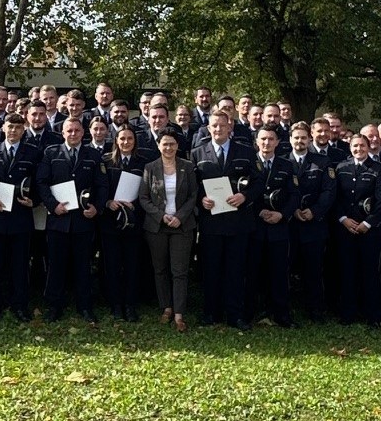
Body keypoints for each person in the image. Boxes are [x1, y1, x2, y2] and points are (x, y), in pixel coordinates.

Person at [190, 110, 262, 330]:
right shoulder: (197, 152)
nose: (218, 129)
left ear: (230, 127)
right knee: (211, 269)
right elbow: (192, 185)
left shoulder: (247, 151)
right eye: (214, 126)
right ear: (208, 128)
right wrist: (201, 199)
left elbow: (259, 182)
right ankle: (211, 313)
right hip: (211, 222)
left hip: (238, 221)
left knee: (235, 270)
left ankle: (235, 315)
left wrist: (245, 196)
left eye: (222, 125)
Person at [38, 117, 106, 323]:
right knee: (56, 265)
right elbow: (41, 182)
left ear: (83, 133)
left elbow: (102, 186)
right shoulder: (51, 153)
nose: (73, 134)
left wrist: (97, 207)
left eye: (77, 130)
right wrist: (52, 205)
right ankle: (54, 306)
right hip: (58, 219)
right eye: (69, 131)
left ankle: (84, 306)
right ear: (63, 133)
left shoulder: (93, 155)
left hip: (83, 221)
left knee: (83, 265)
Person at [0, 114, 43, 321]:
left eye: (18, 127)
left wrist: (33, 200)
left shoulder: (33, 152)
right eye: (10, 126)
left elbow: (40, 181)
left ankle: (19, 305)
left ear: (24, 129)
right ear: (3, 128)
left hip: (21, 216)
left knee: (19, 265)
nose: (14, 130)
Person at [138, 130, 197, 332]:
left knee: (179, 271)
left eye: (172, 144)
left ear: (177, 146)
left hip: (182, 226)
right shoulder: (150, 168)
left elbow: (193, 195)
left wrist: (179, 216)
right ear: (158, 145)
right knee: (160, 269)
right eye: (165, 144)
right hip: (157, 226)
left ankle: (179, 314)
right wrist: (161, 216)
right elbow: (144, 198)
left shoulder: (187, 167)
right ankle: (167, 308)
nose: (169, 148)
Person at [333, 133, 381, 327]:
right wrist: (343, 219)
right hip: (345, 228)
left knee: (370, 272)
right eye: (355, 146)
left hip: (370, 231)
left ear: (368, 146)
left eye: (362, 146)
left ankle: (373, 315)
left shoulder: (379, 170)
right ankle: (347, 314)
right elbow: (336, 198)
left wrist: (368, 223)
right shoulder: (341, 168)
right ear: (350, 147)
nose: (359, 149)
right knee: (347, 271)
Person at [99, 125, 154, 322]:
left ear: (135, 141)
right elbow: (100, 187)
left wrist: (135, 203)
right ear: (116, 140)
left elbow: (148, 191)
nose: (126, 142)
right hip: (109, 221)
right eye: (122, 139)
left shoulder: (143, 163)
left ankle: (130, 305)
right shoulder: (105, 160)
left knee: (132, 264)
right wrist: (107, 202)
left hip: (134, 221)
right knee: (112, 265)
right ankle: (115, 304)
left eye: (130, 139)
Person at [284, 122, 336, 323]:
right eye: (296, 137)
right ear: (290, 140)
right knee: (285, 269)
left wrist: (314, 211)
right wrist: (293, 210)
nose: (299, 141)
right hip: (289, 224)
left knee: (313, 270)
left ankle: (316, 311)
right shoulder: (283, 162)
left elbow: (328, 191)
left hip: (314, 225)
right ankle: (285, 310)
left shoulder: (322, 162)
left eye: (303, 137)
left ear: (309, 139)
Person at [248, 124, 299, 327]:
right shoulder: (249, 164)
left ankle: (281, 315)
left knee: (279, 273)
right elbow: (243, 192)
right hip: (254, 227)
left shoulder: (286, 165)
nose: (266, 143)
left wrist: (282, 214)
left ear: (278, 142)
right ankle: (250, 313)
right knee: (252, 273)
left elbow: (294, 196)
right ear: (256, 142)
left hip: (278, 228)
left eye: (271, 139)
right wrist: (258, 211)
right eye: (263, 139)